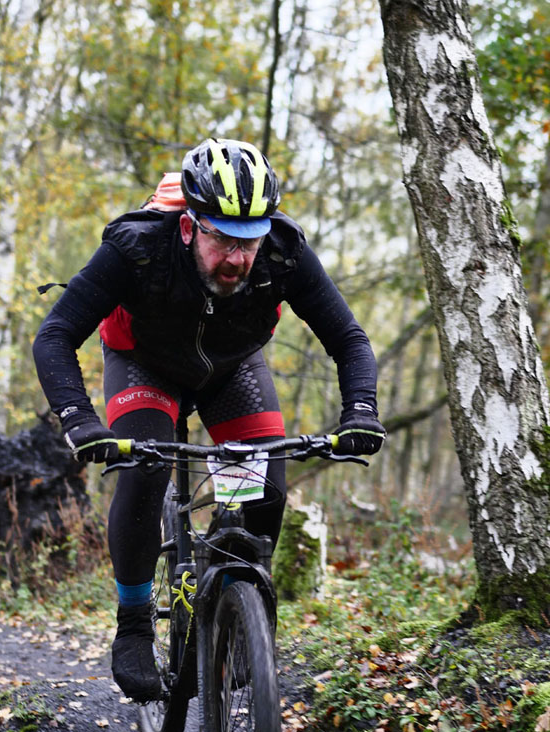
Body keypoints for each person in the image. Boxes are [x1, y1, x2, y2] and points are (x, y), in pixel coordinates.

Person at [33, 137, 385, 703]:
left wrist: (360, 411)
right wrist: (80, 420)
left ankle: (236, 606)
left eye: (250, 240)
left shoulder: (284, 253)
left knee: (266, 490)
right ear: (189, 226)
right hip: (143, 363)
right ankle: (133, 623)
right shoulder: (136, 247)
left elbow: (348, 338)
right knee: (145, 471)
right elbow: (54, 335)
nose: (237, 258)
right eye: (222, 238)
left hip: (230, 368)